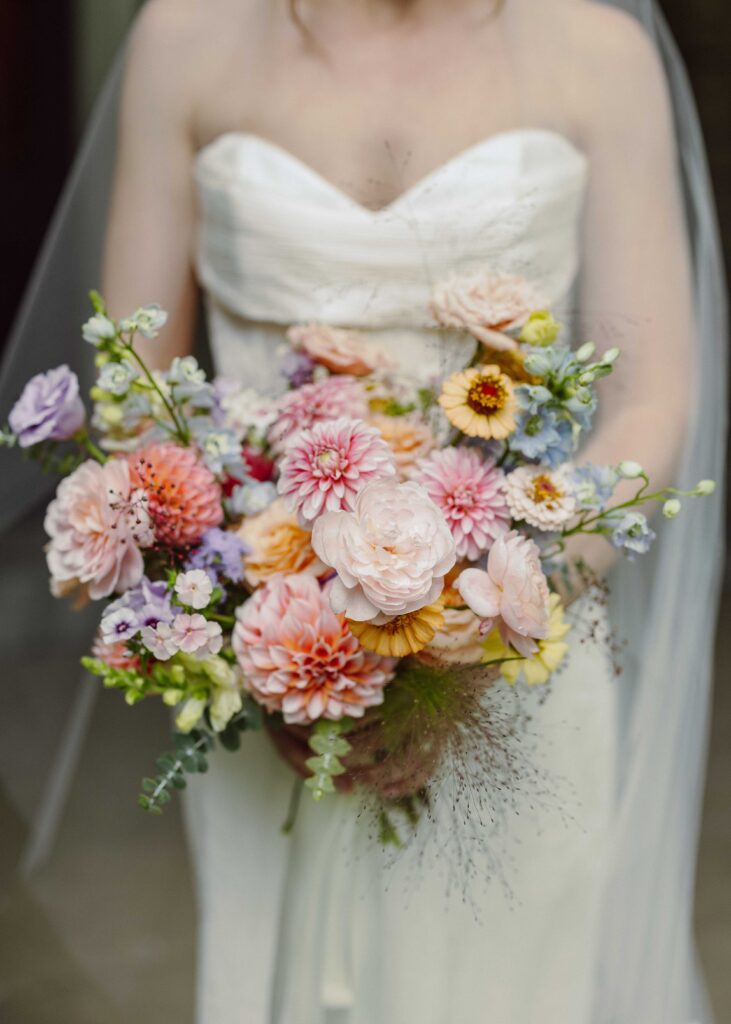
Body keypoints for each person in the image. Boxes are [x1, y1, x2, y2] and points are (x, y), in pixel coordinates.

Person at [4, 0, 725, 1021]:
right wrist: (258, 639)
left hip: (519, 660)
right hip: (273, 662)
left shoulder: (596, 55)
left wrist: (489, 610)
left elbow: (651, 398)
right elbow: (135, 392)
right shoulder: (185, 37)